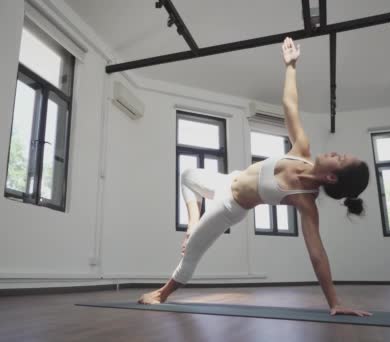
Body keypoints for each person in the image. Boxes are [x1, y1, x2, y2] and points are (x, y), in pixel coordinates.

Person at [138, 37, 372, 317]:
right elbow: (289, 103)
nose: (336, 152)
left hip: (229, 207)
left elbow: (317, 254)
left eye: (341, 159)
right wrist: (291, 66)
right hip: (226, 180)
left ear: (332, 178)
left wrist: (334, 302)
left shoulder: (305, 202)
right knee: (187, 175)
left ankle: (162, 294)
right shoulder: (302, 149)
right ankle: (192, 222)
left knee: (191, 254)